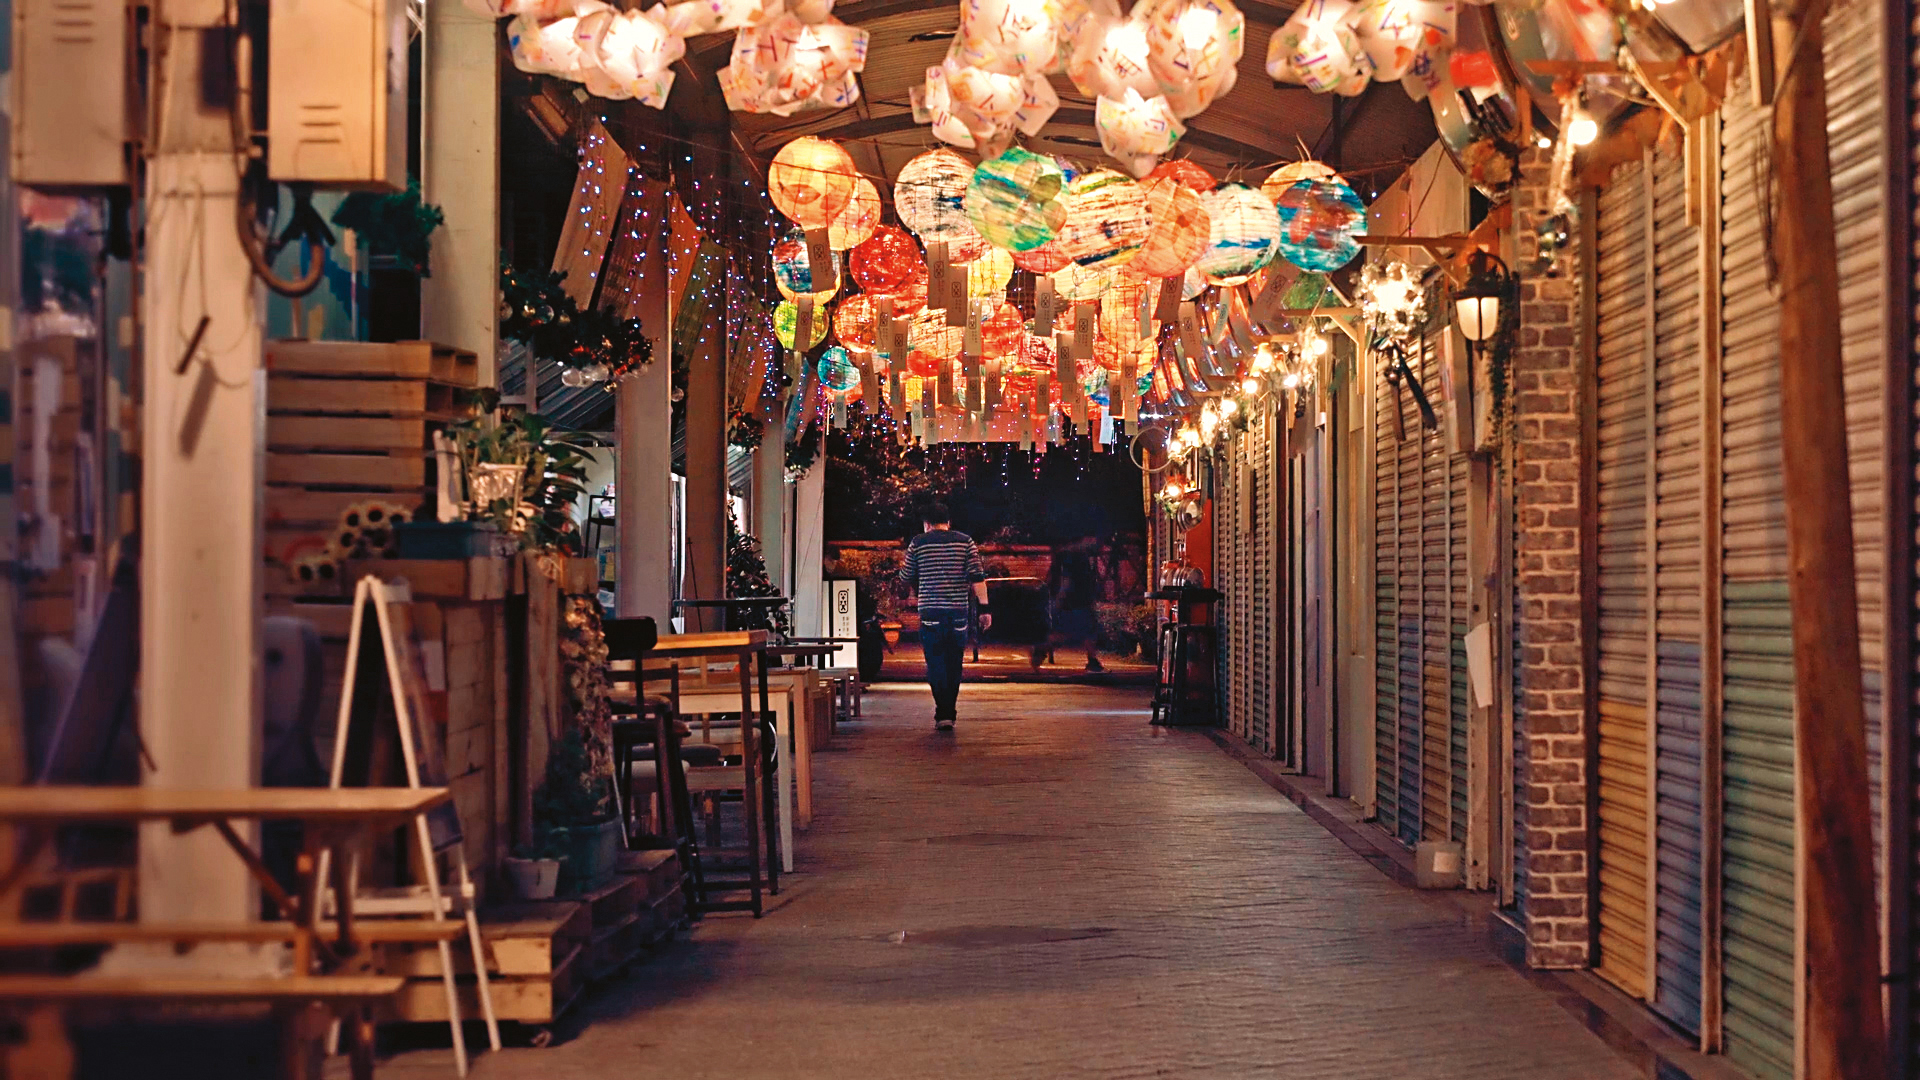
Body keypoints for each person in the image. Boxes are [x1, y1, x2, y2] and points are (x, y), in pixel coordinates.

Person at [897, 501, 988, 730]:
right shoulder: (965, 541)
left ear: (926, 524)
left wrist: (903, 587)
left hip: (930, 611)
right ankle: (950, 709)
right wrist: (985, 609)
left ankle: (942, 713)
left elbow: (906, 575)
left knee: (935, 662)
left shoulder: (918, 543)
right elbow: (977, 577)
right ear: (948, 522)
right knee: (954, 662)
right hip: (958, 611)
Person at [1046, 546, 1103, 673]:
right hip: (1076, 600)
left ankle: (1092, 660)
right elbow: (1067, 580)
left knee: (1080, 630)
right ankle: (1043, 648)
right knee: (1082, 630)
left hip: (1076, 600)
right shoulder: (1074, 557)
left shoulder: (1069, 556)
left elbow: (1062, 579)